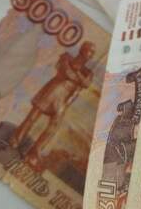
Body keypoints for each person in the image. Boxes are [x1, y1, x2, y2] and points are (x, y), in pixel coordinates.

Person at [9, 41, 96, 170]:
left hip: (64, 99)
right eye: (90, 50)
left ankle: (34, 153)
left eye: (93, 53)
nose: (91, 54)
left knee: (53, 126)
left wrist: (77, 73)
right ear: (82, 49)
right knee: (33, 116)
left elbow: (86, 84)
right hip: (53, 89)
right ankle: (15, 140)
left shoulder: (88, 72)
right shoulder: (67, 57)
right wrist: (77, 76)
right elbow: (65, 72)